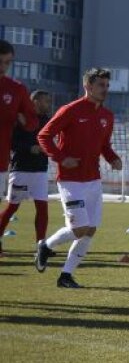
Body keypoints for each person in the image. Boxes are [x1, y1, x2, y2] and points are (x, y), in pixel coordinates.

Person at [35, 68, 123, 288]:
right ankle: (46, 246)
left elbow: (104, 146)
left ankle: (66, 276)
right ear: (88, 86)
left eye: (107, 86)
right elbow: (44, 135)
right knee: (79, 228)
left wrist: (113, 158)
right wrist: (60, 158)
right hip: (70, 181)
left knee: (90, 230)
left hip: (93, 180)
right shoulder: (70, 110)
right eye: (101, 85)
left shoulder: (107, 116)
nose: (105, 90)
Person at [0, 90, 54, 256]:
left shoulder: (48, 120)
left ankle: (41, 246)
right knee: (12, 208)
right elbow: (12, 142)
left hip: (40, 170)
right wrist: (29, 148)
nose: (48, 104)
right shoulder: (21, 118)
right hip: (21, 169)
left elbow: (50, 141)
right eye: (45, 101)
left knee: (43, 208)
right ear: (35, 101)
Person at [0, 40, 38, 237]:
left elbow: (32, 121)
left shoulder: (16, 89)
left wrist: (25, 120)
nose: (3, 67)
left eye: (7, 63)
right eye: (0, 62)